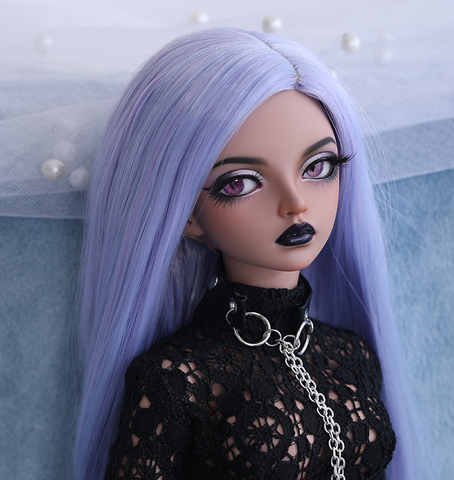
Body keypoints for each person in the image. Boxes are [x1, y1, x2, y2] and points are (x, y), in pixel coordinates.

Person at [72, 27, 421, 480]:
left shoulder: (351, 354)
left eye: (318, 167)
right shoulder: (177, 377)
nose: (295, 203)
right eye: (239, 183)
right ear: (185, 215)